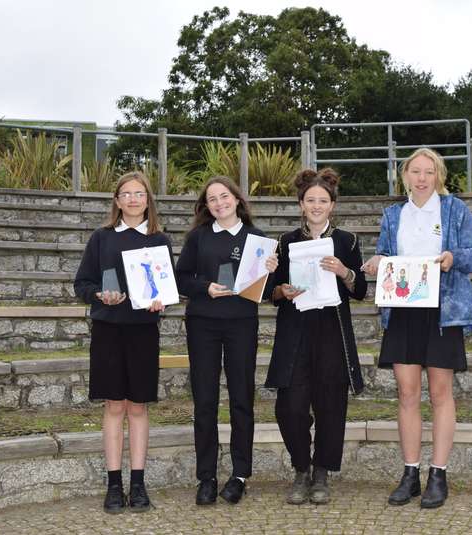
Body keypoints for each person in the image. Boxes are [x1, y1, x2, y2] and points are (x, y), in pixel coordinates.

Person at [362, 148, 472, 509]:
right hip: (403, 309)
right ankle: (410, 474)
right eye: (415, 171)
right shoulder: (393, 214)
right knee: (406, 393)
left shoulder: (454, 209)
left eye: (428, 172)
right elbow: (384, 254)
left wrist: (454, 257)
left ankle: (439, 473)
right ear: (405, 176)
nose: (421, 178)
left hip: (442, 310)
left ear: (438, 176)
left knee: (441, 392)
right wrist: (376, 262)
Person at [265, 168, 367, 505]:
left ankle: (321, 471)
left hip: (332, 333)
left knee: (330, 405)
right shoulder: (286, 241)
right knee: (289, 406)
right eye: (311, 200)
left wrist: (345, 272)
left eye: (323, 200)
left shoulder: (348, 241)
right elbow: (272, 291)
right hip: (295, 332)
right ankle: (301, 467)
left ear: (333, 204)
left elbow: (361, 290)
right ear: (301, 204)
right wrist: (281, 288)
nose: (317, 205)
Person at [74, 171, 172, 514]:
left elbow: (165, 288)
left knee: (138, 407)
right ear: (117, 201)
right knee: (114, 406)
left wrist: (162, 301)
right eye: (126, 194)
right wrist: (100, 294)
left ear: (148, 200)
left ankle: (138, 483)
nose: (133, 199)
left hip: (143, 330)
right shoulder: (102, 238)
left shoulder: (159, 239)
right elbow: (82, 284)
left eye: (139, 193)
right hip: (108, 330)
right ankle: (114, 483)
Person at [176, 176, 278, 506]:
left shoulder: (257, 239)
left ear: (237, 199)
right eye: (212, 200)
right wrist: (204, 287)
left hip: (241, 325)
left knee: (241, 400)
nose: (219, 203)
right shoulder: (198, 237)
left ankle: (239, 475)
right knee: (204, 402)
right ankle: (206, 477)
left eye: (224, 197)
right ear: (206, 207)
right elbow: (180, 278)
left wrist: (273, 269)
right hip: (203, 324)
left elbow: (265, 288)